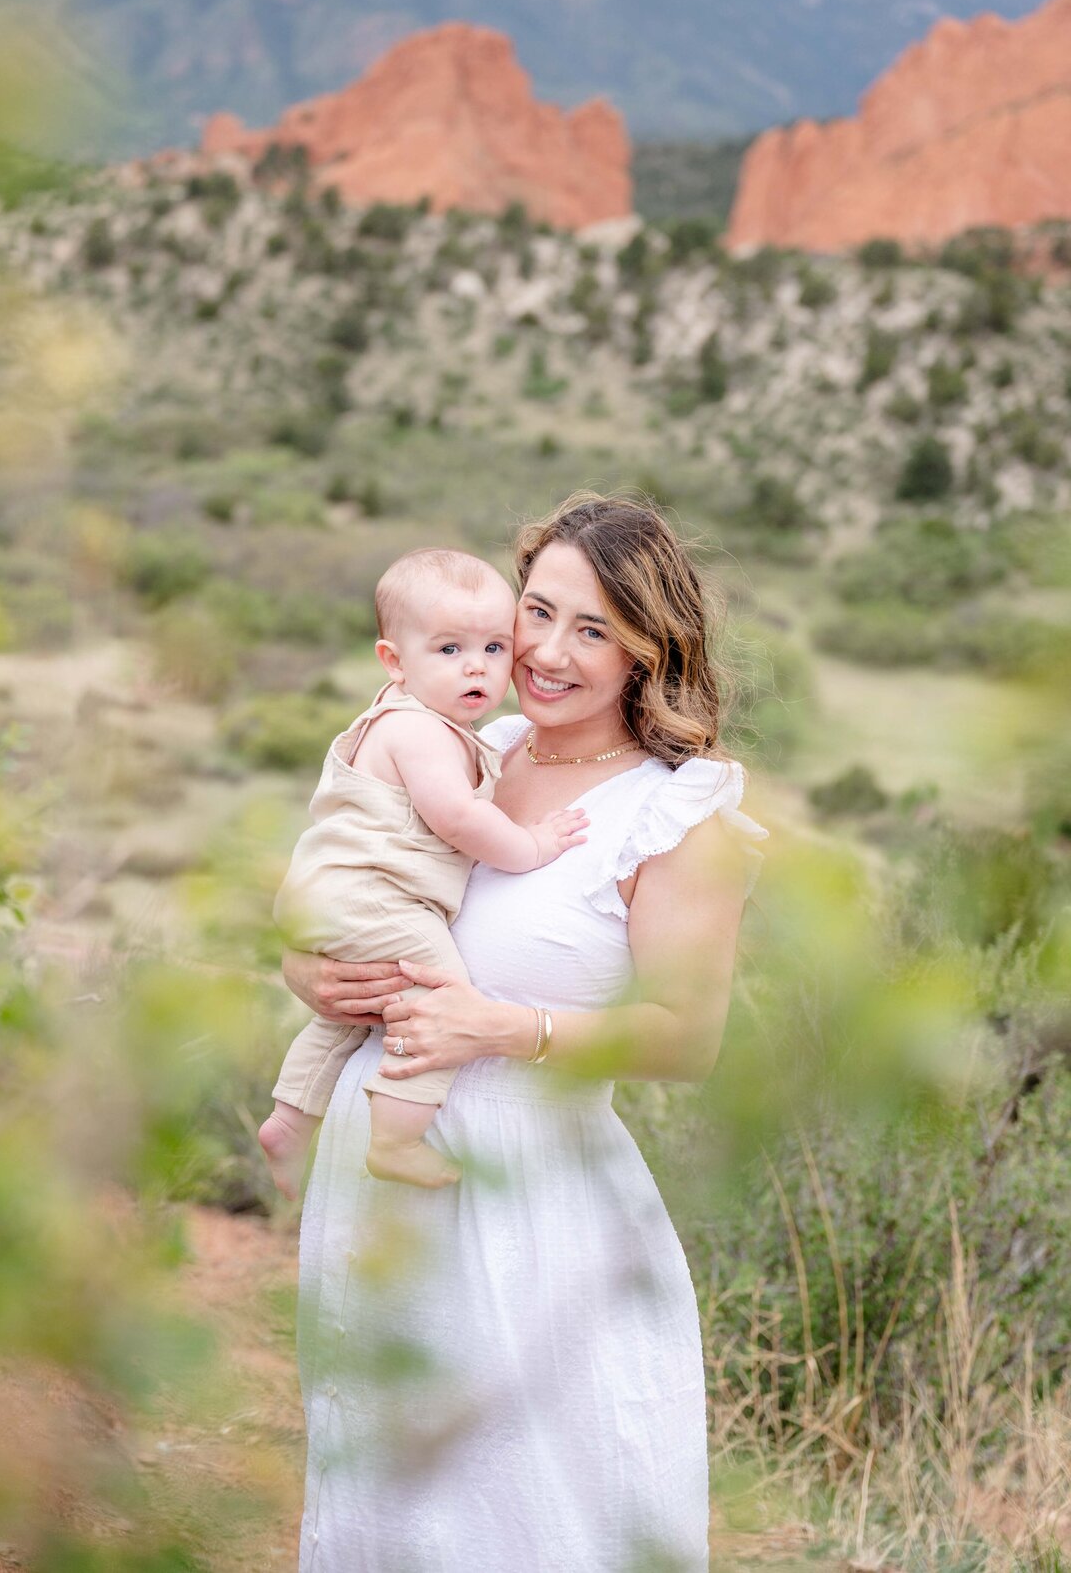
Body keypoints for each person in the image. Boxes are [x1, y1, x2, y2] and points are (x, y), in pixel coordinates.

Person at [279, 493, 769, 1573]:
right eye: (535, 614)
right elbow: (342, 885)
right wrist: (312, 970)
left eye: (591, 629)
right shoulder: (468, 749)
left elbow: (686, 1039)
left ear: (650, 647)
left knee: (530, 1514)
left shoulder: (679, 813)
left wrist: (501, 1026)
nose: (545, 653)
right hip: (379, 1190)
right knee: (387, 1493)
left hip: (537, 1208)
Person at [259, 546, 589, 1196]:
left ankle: (289, 1119)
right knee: (437, 993)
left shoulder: (406, 719)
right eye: (449, 650)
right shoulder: (423, 733)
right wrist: (533, 845)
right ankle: (397, 1139)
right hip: (374, 897)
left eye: (495, 649)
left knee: (351, 1013)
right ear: (394, 662)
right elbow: (459, 818)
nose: (477, 667)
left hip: (340, 897)